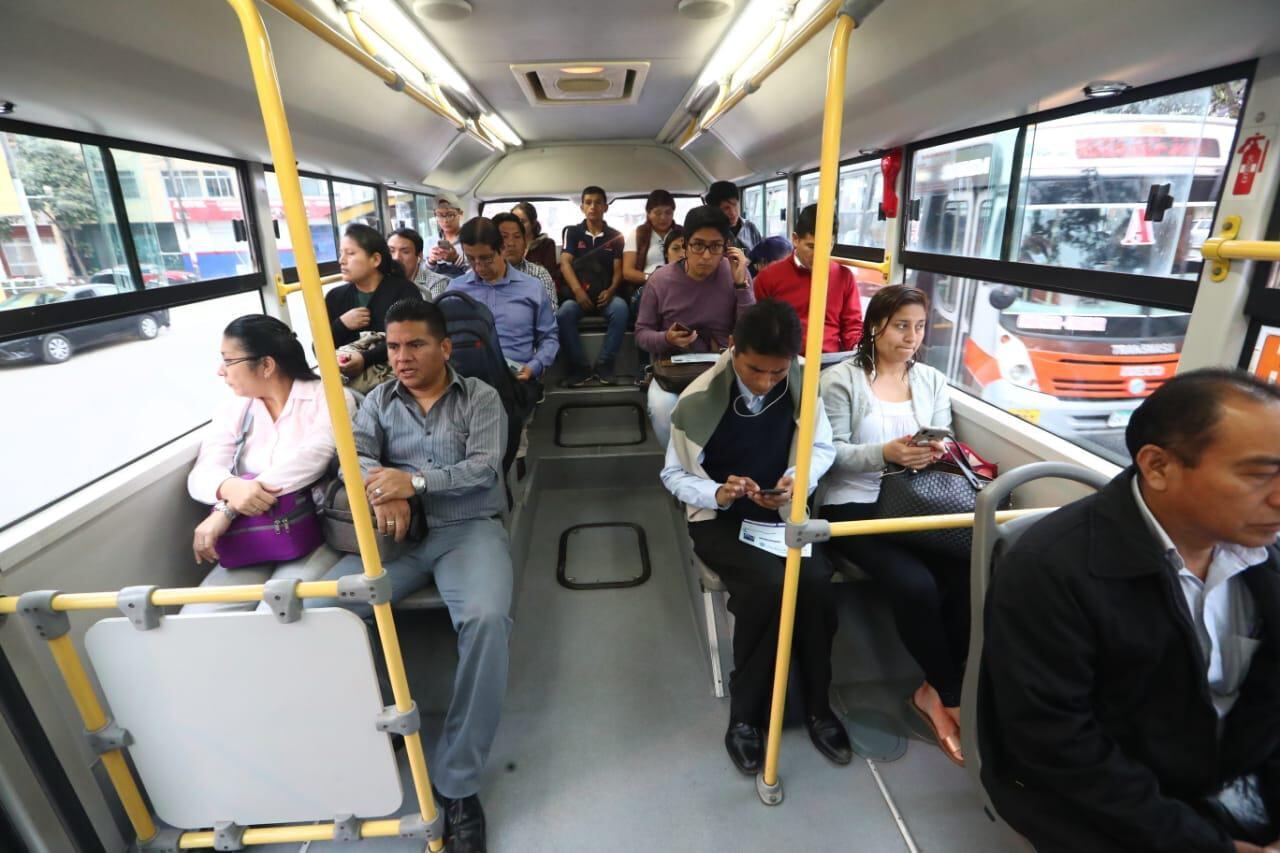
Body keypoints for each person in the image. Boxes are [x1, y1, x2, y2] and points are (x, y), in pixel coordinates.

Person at [982, 368, 1280, 853]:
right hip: (1116, 791)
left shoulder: (1263, 556)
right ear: (1158, 467)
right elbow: (1056, 744)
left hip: (1228, 764)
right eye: (1258, 474)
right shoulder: (1052, 569)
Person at [305, 299, 511, 853]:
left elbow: (484, 466)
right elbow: (359, 456)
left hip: (468, 528)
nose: (401, 357)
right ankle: (383, 727)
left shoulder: (481, 398)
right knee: (325, 612)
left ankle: (459, 782)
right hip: (397, 536)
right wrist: (383, 488)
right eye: (393, 346)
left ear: (444, 348)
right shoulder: (377, 401)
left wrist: (412, 484)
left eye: (415, 345)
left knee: (487, 620)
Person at [661, 299, 849, 774]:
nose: (766, 382)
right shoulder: (699, 399)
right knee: (765, 588)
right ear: (732, 349)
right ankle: (744, 715)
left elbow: (821, 446)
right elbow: (673, 475)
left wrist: (794, 478)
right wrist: (720, 492)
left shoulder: (802, 383)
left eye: (776, 372)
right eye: (754, 371)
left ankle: (817, 705)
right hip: (720, 518)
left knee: (816, 586)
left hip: (779, 510)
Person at [817, 285, 960, 762]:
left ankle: (933, 687)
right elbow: (828, 453)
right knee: (915, 583)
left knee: (965, 572)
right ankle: (950, 696)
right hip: (856, 504)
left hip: (915, 503)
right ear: (876, 325)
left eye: (919, 327)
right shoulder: (841, 380)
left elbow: (946, 440)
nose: (912, 337)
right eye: (901, 325)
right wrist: (885, 453)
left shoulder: (932, 381)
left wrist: (931, 451)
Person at [186, 315, 340, 613]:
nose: (221, 371)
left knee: (275, 612)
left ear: (267, 365)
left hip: (314, 532)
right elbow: (203, 472)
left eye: (229, 361)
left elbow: (312, 458)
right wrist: (227, 486)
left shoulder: (329, 399)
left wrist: (228, 508)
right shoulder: (234, 408)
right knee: (198, 614)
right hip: (253, 533)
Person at [635, 205, 754, 448]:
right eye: (698, 245)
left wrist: (742, 285)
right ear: (686, 244)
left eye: (715, 246)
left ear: (726, 247)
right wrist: (666, 339)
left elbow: (752, 331)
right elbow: (642, 334)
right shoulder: (660, 280)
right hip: (674, 368)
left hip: (723, 365)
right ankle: (678, 466)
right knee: (661, 407)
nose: (707, 256)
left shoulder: (735, 274)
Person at [446, 216, 558, 414]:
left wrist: (535, 366)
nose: (479, 267)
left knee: (512, 442)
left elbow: (549, 337)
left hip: (515, 383)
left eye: (486, 258)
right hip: (467, 385)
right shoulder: (456, 288)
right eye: (471, 259)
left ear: (502, 249)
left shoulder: (531, 287)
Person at [754, 203, 863, 354]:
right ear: (795, 239)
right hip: (784, 360)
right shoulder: (767, 278)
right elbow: (760, 328)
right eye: (811, 247)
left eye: (827, 246)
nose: (819, 255)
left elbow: (852, 327)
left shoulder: (844, 277)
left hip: (831, 360)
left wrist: (858, 349)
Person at [325, 223, 422, 383]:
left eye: (350, 253)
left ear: (375, 259)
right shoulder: (335, 297)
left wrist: (365, 358)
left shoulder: (404, 291)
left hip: (397, 378)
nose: (341, 260)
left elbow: (411, 337)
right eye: (341, 253)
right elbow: (319, 349)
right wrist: (342, 324)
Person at [557, 186, 627, 386]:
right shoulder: (573, 232)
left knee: (621, 309)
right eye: (588, 202)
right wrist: (578, 292)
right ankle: (580, 368)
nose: (593, 207)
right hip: (579, 297)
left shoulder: (615, 235)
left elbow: (618, 270)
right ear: (582, 207)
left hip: (606, 295)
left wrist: (611, 290)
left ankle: (605, 364)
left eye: (598, 202)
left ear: (605, 207)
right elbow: (565, 263)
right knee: (563, 314)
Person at [492, 212, 557, 309]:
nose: (511, 243)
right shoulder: (482, 274)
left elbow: (551, 312)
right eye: (504, 237)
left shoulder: (538, 274)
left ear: (525, 243)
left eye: (517, 237)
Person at [622, 189, 682, 289]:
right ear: (648, 214)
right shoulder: (638, 234)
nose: (663, 217)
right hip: (648, 285)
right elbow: (628, 272)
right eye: (657, 213)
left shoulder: (682, 232)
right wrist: (652, 278)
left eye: (668, 213)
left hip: (678, 284)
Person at [511, 201, 562, 293]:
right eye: (514, 221)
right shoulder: (506, 246)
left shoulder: (546, 244)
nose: (517, 226)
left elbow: (549, 277)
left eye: (522, 222)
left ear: (533, 223)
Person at [388, 227, 452, 300]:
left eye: (405, 252)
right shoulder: (382, 280)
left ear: (419, 256)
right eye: (391, 251)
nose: (396, 258)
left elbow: (431, 310)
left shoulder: (436, 282)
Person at [705, 180, 764, 253]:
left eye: (735, 205)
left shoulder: (750, 228)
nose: (733, 212)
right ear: (716, 210)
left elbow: (761, 257)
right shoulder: (709, 231)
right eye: (726, 208)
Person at [428, 197, 468, 276]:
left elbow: (479, 273)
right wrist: (431, 261)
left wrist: (456, 259)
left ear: (460, 213)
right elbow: (424, 274)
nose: (445, 220)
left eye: (450, 215)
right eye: (440, 215)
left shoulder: (472, 240)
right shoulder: (429, 241)